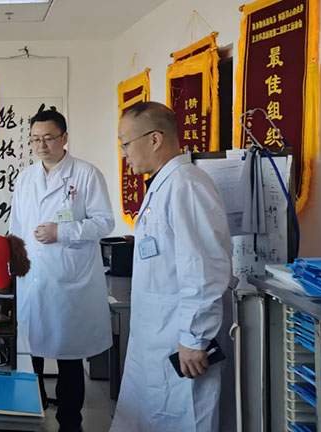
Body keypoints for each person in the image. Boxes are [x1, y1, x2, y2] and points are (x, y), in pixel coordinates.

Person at [110, 102, 232, 432]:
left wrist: (195, 337)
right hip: (157, 334)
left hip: (181, 341)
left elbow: (203, 269)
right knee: (151, 414)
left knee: (184, 415)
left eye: (125, 143)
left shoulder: (186, 185)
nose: (124, 153)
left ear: (155, 139)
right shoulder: (164, 185)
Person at [9, 109, 114, 432]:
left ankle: (71, 421)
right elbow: (15, 227)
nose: (41, 145)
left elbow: (104, 222)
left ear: (64, 137)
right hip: (32, 278)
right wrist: (10, 267)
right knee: (31, 355)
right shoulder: (25, 178)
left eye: (48, 138)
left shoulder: (86, 174)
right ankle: (33, 411)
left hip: (69, 280)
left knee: (69, 356)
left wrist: (62, 232)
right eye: (35, 139)